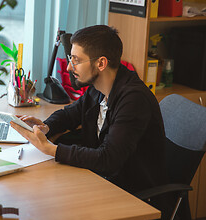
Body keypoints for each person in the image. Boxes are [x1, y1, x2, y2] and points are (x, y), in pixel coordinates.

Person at [10, 25, 168, 195]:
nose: (70, 67)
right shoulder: (99, 86)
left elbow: (108, 159)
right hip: (102, 178)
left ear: (101, 63)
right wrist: (46, 127)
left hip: (130, 191)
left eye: (76, 60)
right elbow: (70, 114)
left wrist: (50, 149)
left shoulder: (133, 100)